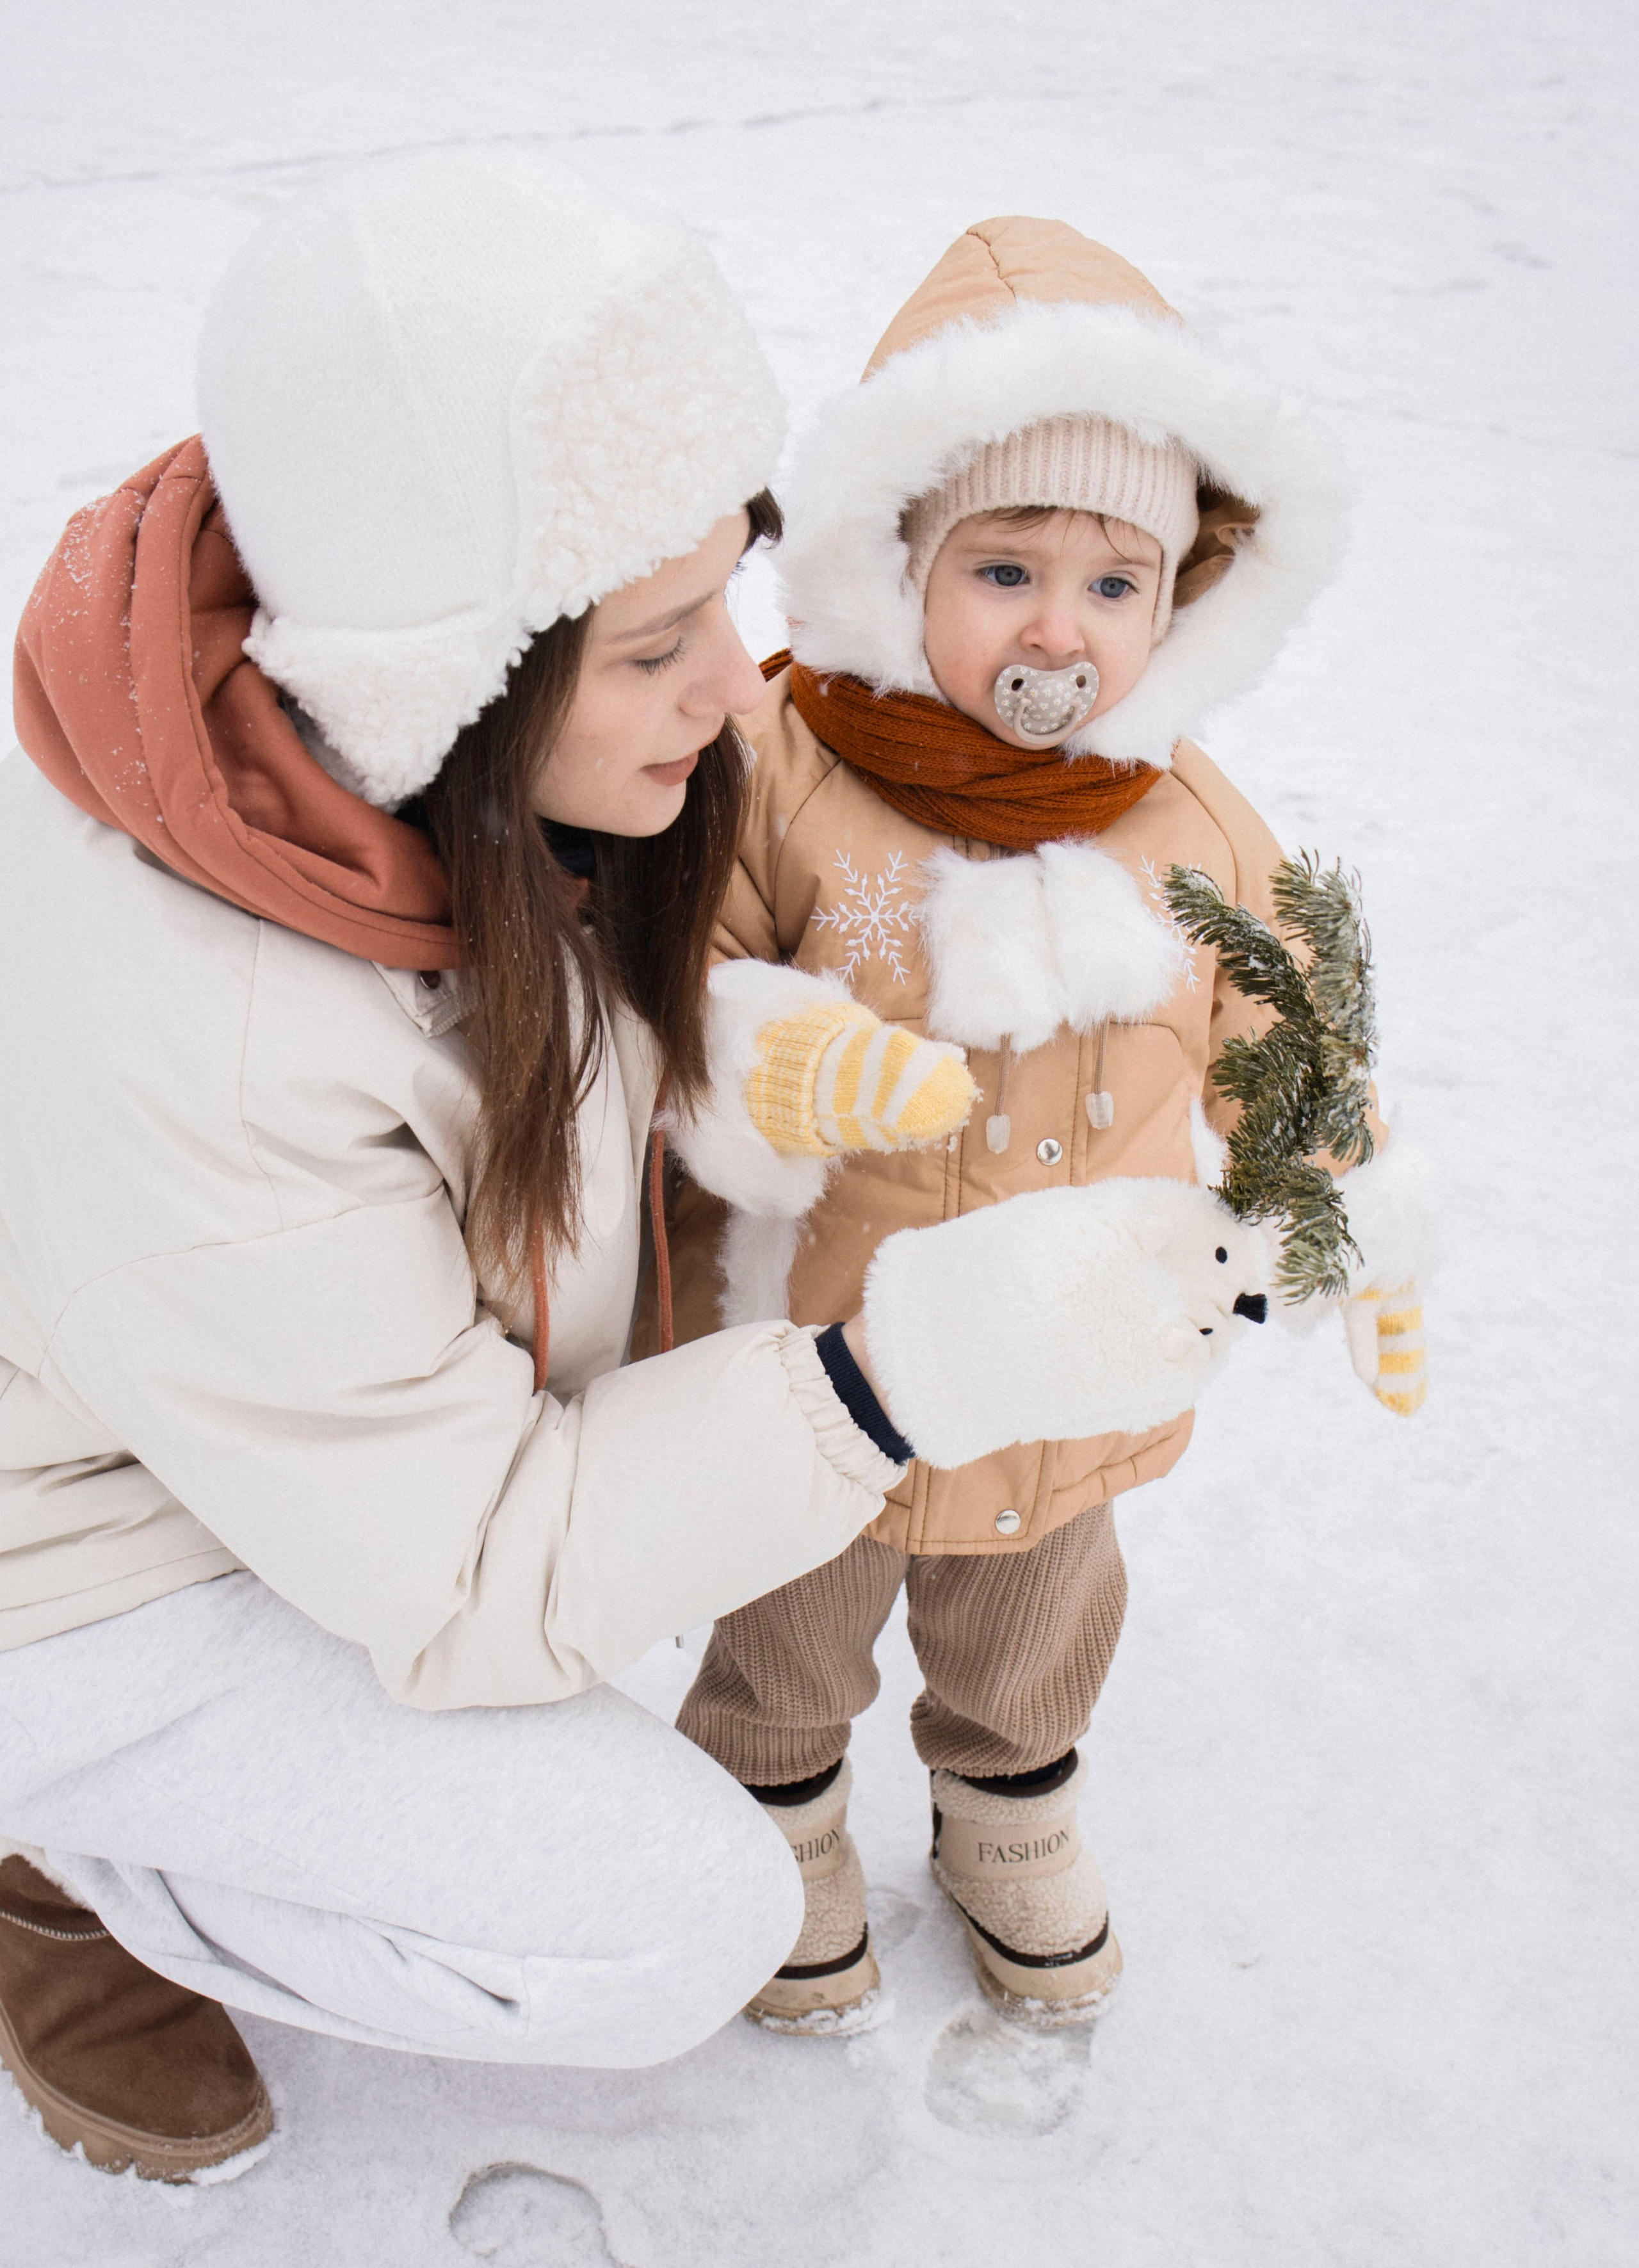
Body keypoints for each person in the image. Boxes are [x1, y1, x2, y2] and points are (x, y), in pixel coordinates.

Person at [0, 162, 1254, 2182]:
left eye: (730, 589)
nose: (734, 691)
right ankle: (77, 1858)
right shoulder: (213, 1057)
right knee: (672, 1919)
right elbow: (480, 1572)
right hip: (92, 1565)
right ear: (463, 676)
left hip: (296, 1408)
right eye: (662, 641)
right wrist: (904, 1369)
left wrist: (773, 1035)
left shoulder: (391, 673)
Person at [660, 217, 1428, 2032]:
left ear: (1181, 602)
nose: (1056, 630)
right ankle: (773, 1830)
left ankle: (1010, 1818)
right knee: (782, 1630)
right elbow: (664, 997)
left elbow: (1291, 1045)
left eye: (1114, 583)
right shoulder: (778, 771)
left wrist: (1355, 1228)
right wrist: (762, 1055)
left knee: (1038, 1626)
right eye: (1003, 566)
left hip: (1077, 1366)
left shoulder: (1200, 826)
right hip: (824, 1363)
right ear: (893, 555)